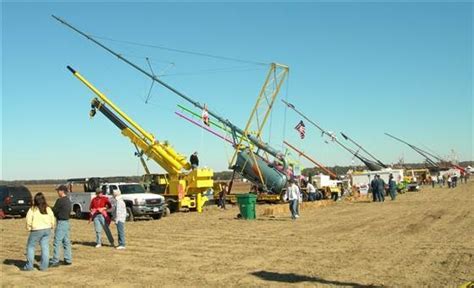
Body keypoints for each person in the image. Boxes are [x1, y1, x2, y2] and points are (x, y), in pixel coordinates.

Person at [23, 192, 55, 271]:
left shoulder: (33, 209)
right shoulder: (48, 208)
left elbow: (28, 220)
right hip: (47, 229)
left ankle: (29, 266)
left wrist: (28, 228)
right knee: (45, 247)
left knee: (30, 247)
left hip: (36, 230)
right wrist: (52, 225)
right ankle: (44, 267)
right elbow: (52, 218)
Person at [50, 185, 72, 267]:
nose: (57, 192)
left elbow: (55, 210)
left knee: (57, 242)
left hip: (61, 222)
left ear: (62, 191)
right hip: (66, 222)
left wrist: (49, 208)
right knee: (66, 242)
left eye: (58, 191)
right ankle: (68, 259)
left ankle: (55, 260)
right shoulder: (68, 200)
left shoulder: (60, 200)